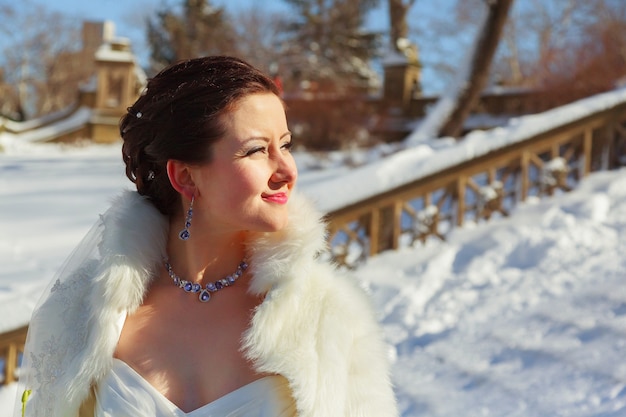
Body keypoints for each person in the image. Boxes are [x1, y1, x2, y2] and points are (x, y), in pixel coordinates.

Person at [15, 56, 398, 417]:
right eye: (256, 150)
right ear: (185, 176)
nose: (286, 170)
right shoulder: (86, 310)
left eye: (285, 145)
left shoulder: (328, 316)